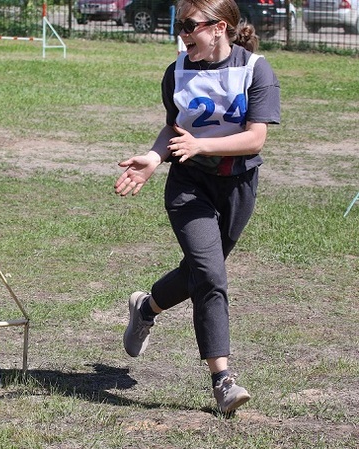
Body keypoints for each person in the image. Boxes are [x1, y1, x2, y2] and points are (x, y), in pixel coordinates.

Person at [113, 0, 280, 414]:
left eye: (190, 26)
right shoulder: (177, 71)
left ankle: (146, 306)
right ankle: (222, 380)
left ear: (219, 27)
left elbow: (255, 139)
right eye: (180, 26)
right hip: (189, 185)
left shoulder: (255, 69)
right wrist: (154, 159)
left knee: (202, 271)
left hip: (238, 185)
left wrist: (199, 144)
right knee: (210, 275)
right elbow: (175, 127)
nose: (183, 35)